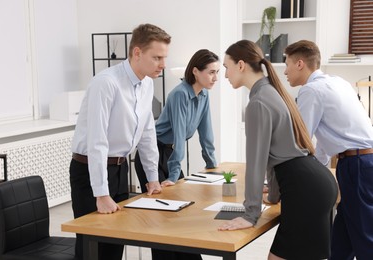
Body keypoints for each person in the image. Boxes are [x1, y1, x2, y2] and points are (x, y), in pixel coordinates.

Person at [219, 39, 338, 260]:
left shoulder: (258, 103)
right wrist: (273, 196)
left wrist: (250, 214)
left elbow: (257, 162)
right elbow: (277, 159)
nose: (225, 74)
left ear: (241, 65)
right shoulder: (270, 91)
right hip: (316, 183)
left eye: (226, 67)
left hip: (304, 190)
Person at [70, 23, 171, 260]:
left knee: (115, 245)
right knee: (92, 249)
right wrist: (101, 193)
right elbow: (97, 141)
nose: (163, 65)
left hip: (119, 168)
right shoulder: (106, 83)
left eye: (164, 57)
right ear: (137, 53)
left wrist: (152, 178)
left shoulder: (146, 84)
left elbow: (147, 133)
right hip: (89, 171)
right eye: (157, 57)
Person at [284, 40, 373, 260]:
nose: (284, 71)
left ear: (300, 64)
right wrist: (321, 171)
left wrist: (282, 180)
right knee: (341, 242)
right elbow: (325, 139)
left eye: (287, 64)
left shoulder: (311, 91)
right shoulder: (338, 82)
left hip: (356, 165)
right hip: (358, 162)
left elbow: (300, 141)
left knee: (365, 240)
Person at [134, 49, 219, 260]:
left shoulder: (204, 95)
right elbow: (179, 136)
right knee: (161, 214)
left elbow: (206, 134)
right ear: (196, 71)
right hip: (154, 152)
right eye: (211, 72)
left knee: (181, 212)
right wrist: (174, 176)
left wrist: (213, 167)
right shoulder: (180, 93)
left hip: (170, 152)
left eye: (217, 72)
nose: (215, 78)